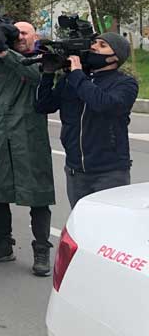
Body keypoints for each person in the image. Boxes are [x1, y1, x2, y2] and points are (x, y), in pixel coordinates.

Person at [0, 21, 55, 276]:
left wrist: (6, 54)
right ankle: (2, 244)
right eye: (17, 33)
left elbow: (38, 79)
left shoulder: (42, 58)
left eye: (25, 33)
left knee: (37, 193)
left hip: (28, 136)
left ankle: (41, 250)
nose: (20, 37)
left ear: (35, 36)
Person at [36, 33, 138, 208]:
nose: (94, 46)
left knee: (108, 229)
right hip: (75, 171)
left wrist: (77, 74)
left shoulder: (125, 84)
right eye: (94, 42)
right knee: (82, 229)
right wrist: (47, 74)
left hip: (110, 173)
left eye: (102, 45)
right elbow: (44, 106)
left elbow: (103, 104)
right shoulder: (72, 79)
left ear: (114, 58)